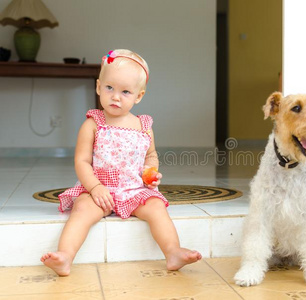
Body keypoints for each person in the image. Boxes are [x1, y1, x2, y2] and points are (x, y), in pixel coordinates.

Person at [40, 49, 202, 276]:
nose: (116, 96)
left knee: (156, 206)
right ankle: (65, 255)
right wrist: (94, 187)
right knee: (83, 208)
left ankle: (173, 251)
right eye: (109, 88)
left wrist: (150, 171)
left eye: (125, 91)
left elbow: (150, 156)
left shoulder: (144, 126)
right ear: (98, 87)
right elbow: (82, 161)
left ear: (139, 96)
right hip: (99, 190)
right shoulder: (93, 123)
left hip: (134, 190)